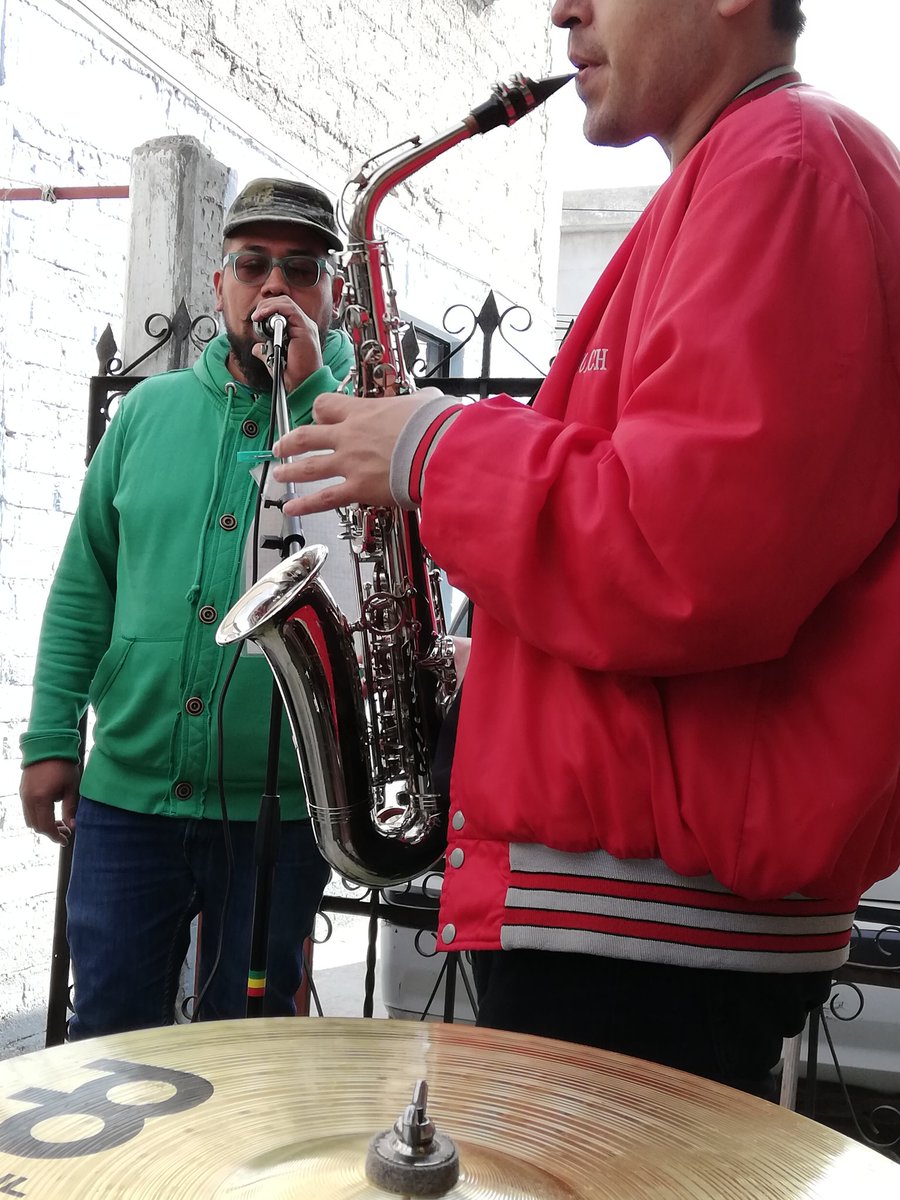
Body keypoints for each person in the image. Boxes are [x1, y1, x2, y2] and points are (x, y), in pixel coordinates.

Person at [270, 0, 900, 1098]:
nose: (561, 9)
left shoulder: (783, 165)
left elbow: (683, 556)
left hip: (648, 938)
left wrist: (432, 446)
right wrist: (506, 671)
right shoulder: (748, 171)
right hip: (637, 924)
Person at [19, 178, 355, 1039]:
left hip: (275, 814)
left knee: (251, 1055)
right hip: (128, 803)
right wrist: (53, 737)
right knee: (109, 1036)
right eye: (253, 264)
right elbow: (87, 579)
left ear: (335, 293)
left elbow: (376, 583)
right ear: (220, 286)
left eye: (301, 268)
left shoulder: (365, 426)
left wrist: (318, 392)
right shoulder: (148, 415)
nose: (274, 287)